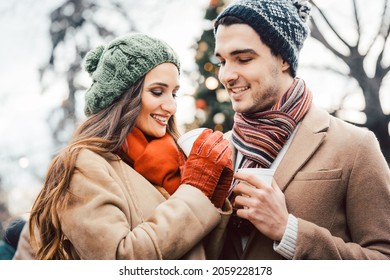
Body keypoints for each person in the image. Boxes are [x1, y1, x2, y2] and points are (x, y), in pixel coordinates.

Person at [21, 33, 233, 260]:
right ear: (123, 96)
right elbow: (118, 260)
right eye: (157, 91)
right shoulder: (83, 164)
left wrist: (212, 197)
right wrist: (196, 192)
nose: (171, 106)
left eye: (174, 93)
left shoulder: (175, 162)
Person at [213, 0, 390, 259]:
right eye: (222, 62)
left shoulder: (355, 145)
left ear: (284, 58)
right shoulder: (217, 148)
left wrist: (289, 232)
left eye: (243, 59)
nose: (226, 75)